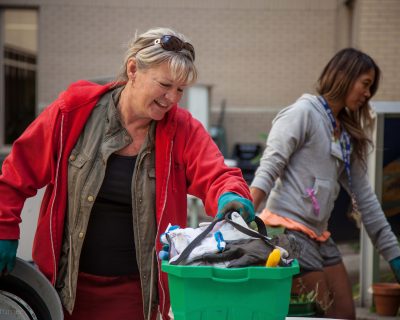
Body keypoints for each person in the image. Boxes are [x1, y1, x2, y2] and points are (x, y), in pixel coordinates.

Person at [0, 27, 254, 320]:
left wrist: (231, 196)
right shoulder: (73, 113)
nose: (172, 98)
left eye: (180, 90)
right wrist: (4, 228)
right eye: (165, 85)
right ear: (133, 69)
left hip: (137, 297)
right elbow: (17, 172)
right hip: (64, 290)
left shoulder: (182, 130)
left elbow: (218, 175)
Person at [250, 48, 400, 319]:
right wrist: (242, 218)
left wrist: (394, 255)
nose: (368, 94)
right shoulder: (303, 113)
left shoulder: (343, 133)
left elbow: (366, 200)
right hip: (288, 232)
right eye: (365, 84)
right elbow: (269, 168)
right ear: (343, 76)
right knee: (320, 315)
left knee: (345, 314)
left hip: (319, 235)